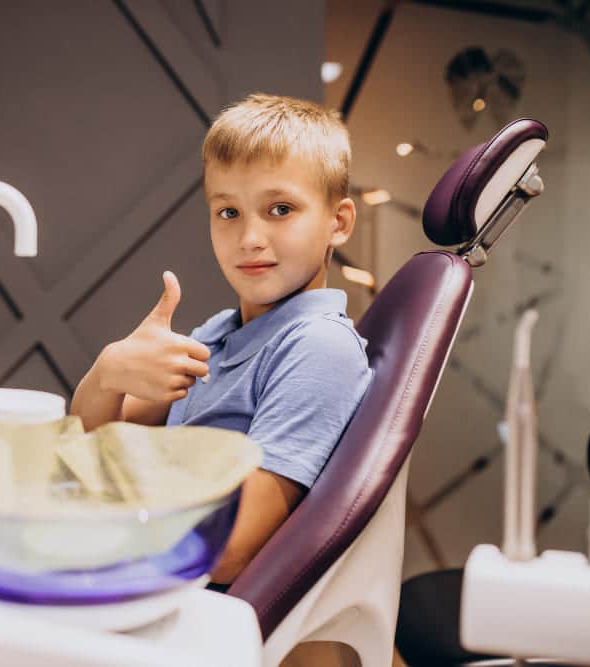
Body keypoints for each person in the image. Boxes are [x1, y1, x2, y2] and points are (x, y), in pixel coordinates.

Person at [69, 93, 373, 586]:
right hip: (112, 545)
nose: (250, 237)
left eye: (280, 208)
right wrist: (108, 372)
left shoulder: (318, 348)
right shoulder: (219, 334)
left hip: (150, 589)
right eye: (228, 212)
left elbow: (227, 549)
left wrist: (90, 523)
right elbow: (86, 455)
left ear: (337, 222)